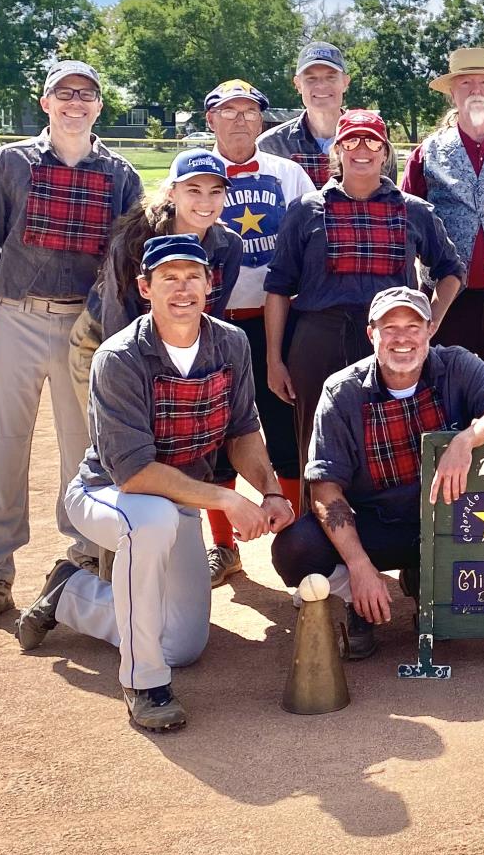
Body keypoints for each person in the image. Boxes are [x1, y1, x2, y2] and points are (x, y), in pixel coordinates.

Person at [15, 235, 294, 732]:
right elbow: (135, 473)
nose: (182, 288)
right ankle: (144, 683)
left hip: (179, 499)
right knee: (153, 519)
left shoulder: (229, 344)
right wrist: (228, 498)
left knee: (183, 644)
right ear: (145, 287)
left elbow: (243, 431)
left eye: (193, 277)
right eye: (168, 278)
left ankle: (72, 594)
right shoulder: (119, 356)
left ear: (211, 284)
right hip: (110, 494)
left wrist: (270, 489)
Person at [0, 59, 142, 634]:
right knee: (5, 443)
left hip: (84, 328)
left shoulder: (119, 173)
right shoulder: (10, 163)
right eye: (64, 93)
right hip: (14, 317)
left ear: (99, 106)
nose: (75, 103)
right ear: (45, 102)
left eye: (86, 94)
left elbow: (124, 260)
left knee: (80, 450)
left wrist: (117, 338)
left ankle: (79, 561)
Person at [274, 287, 484, 660]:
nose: (402, 338)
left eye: (413, 326)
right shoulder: (342, 391)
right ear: (372, 335)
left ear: (430, 330)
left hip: (446, 521)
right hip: (374, 526)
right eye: (389, 327)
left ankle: (426, 581)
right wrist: (359, 566)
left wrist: (466, 439)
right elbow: (325, 488)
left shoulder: (457, 365)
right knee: (294, 548)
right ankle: (355, 600)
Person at [264, 109, 466, 497]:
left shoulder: (413, 210)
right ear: (337, 150)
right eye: (351, 141)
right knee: (316, 442)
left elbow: (451, 270)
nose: (362, 149)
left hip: (390, 340)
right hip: (317, 337)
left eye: (372, 141)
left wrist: (431, 319)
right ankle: (320, 547)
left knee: (392, 438)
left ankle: (395, 540)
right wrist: (275, 359)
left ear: (385, 151)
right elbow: (278, 288)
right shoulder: (306, 210)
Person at [203, 77, 316, 583]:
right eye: (229, 111)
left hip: (277, 323)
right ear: (211, 120)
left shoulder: (286, 173)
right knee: (214, 434)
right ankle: (224, 546)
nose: (240, 119)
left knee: (284, 429)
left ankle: (290, 531)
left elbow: (315, 235)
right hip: (213, 324)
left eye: (250, 111)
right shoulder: (195, 172)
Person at [69, 148, 245, 416]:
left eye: (215, 191)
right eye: (193, 190)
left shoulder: (229, 244)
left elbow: (212, 316)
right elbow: (117, 320)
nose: (205, 201)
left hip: (174, 343)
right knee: (118, 436)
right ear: (173, 193)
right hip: (104, 339)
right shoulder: (134, 241)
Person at [402, 46, 484, 357]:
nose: (476, 90)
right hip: (447, 297)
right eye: (465, 83)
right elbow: (407, 222)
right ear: (452, 95)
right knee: (450, 388)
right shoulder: (426, 153)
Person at [258, 40, 351, 188]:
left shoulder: (371, 142)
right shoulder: (271, 145)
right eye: (311, 78)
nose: (321, 85)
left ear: (345, 82)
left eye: (330, 77)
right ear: (298, 84)